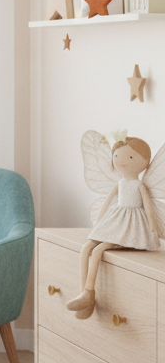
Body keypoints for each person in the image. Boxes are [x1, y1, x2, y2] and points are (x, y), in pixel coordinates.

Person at [68, 136, 161, 319]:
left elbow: (149, 208)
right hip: (115, 221)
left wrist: (153, 228)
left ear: (145, 162)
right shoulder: (120, 184)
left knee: (98, 250)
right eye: (116, 156)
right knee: (86, 247)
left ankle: (89, 292)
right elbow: (107, 203)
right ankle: (83, 293)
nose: (121, 161)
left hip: (130, 227)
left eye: (130, 157)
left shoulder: (139, 186)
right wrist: (98, 222)